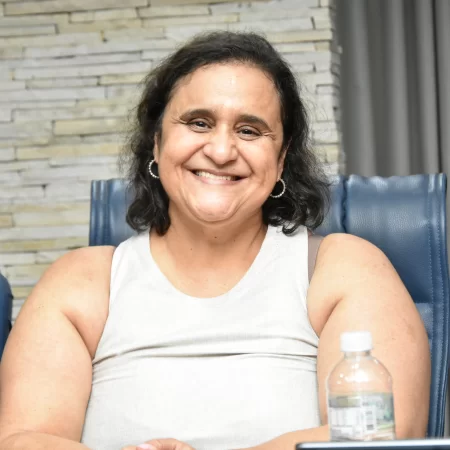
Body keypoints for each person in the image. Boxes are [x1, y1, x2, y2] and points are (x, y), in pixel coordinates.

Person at [0, 31, 430, 450]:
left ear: (281, 159)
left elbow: (382, 434)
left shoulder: (342, 269)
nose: (221, 151)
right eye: (198, 123)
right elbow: (19, 439)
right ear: (157, 143)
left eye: (250, 131)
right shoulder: (82, 283)